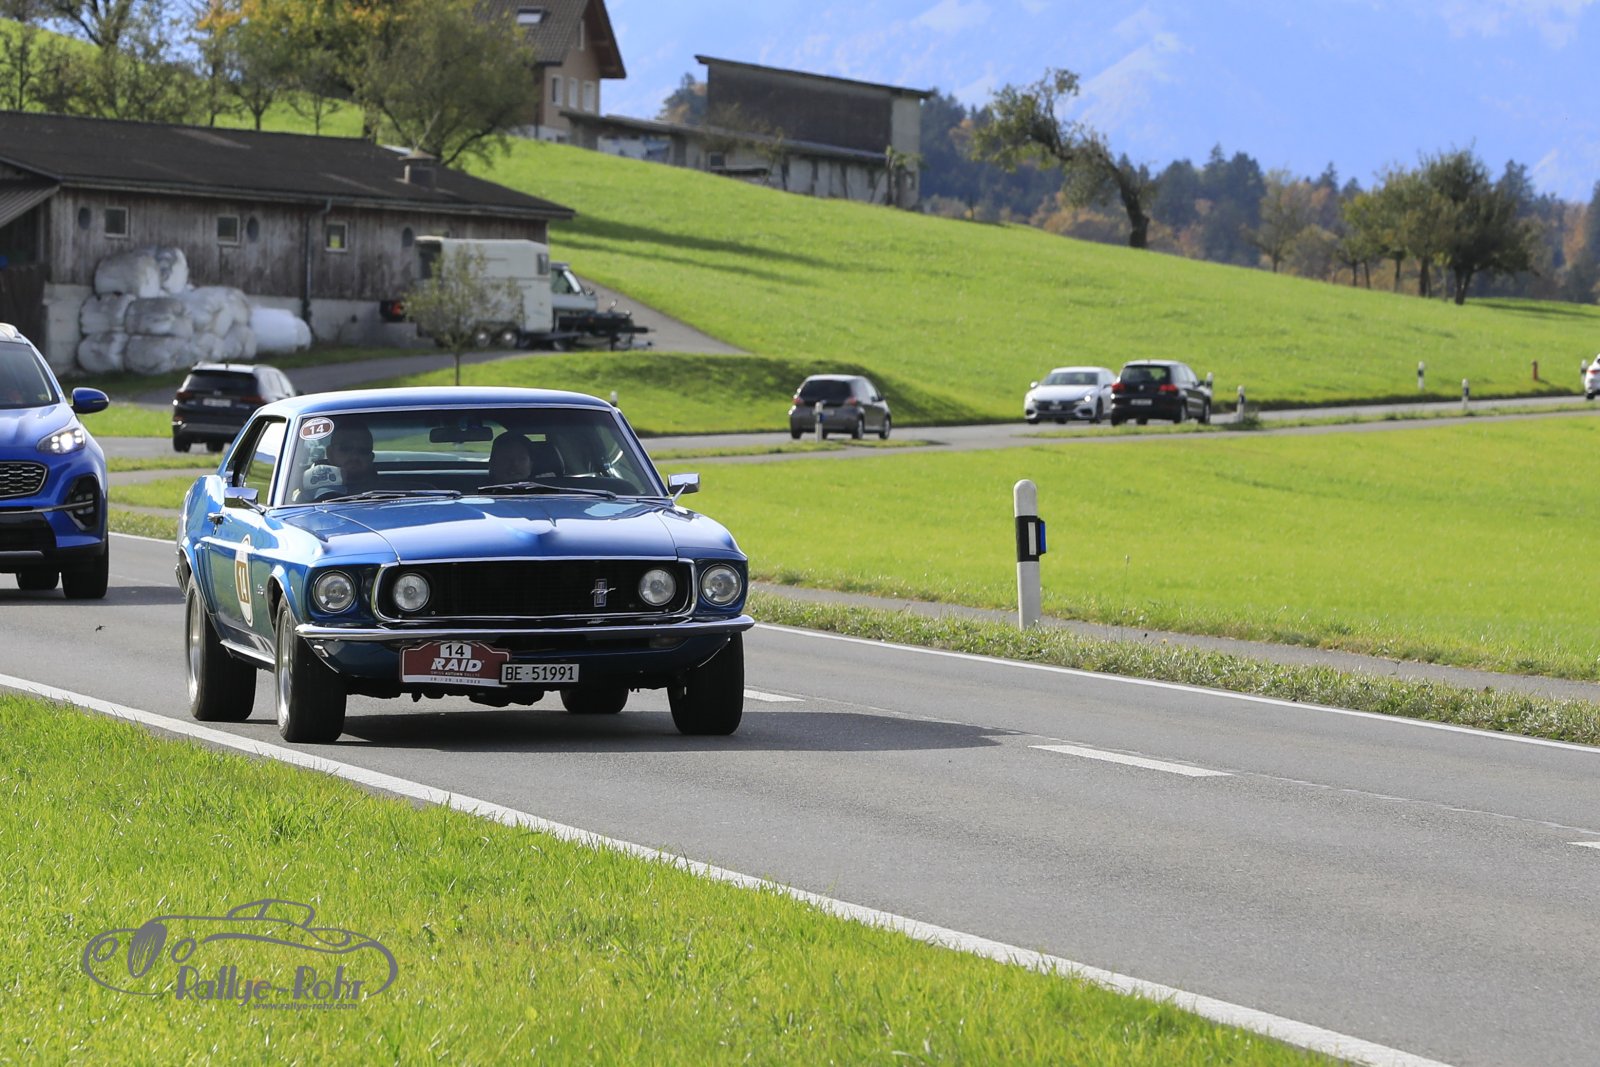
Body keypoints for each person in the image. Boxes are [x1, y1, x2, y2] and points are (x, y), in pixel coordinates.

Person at [324, 422, 380, 492]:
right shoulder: (313, 493)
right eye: (345, 448)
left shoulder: (388, 492)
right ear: (330, 454)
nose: (354, 457)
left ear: (371, 458)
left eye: (363, 450)